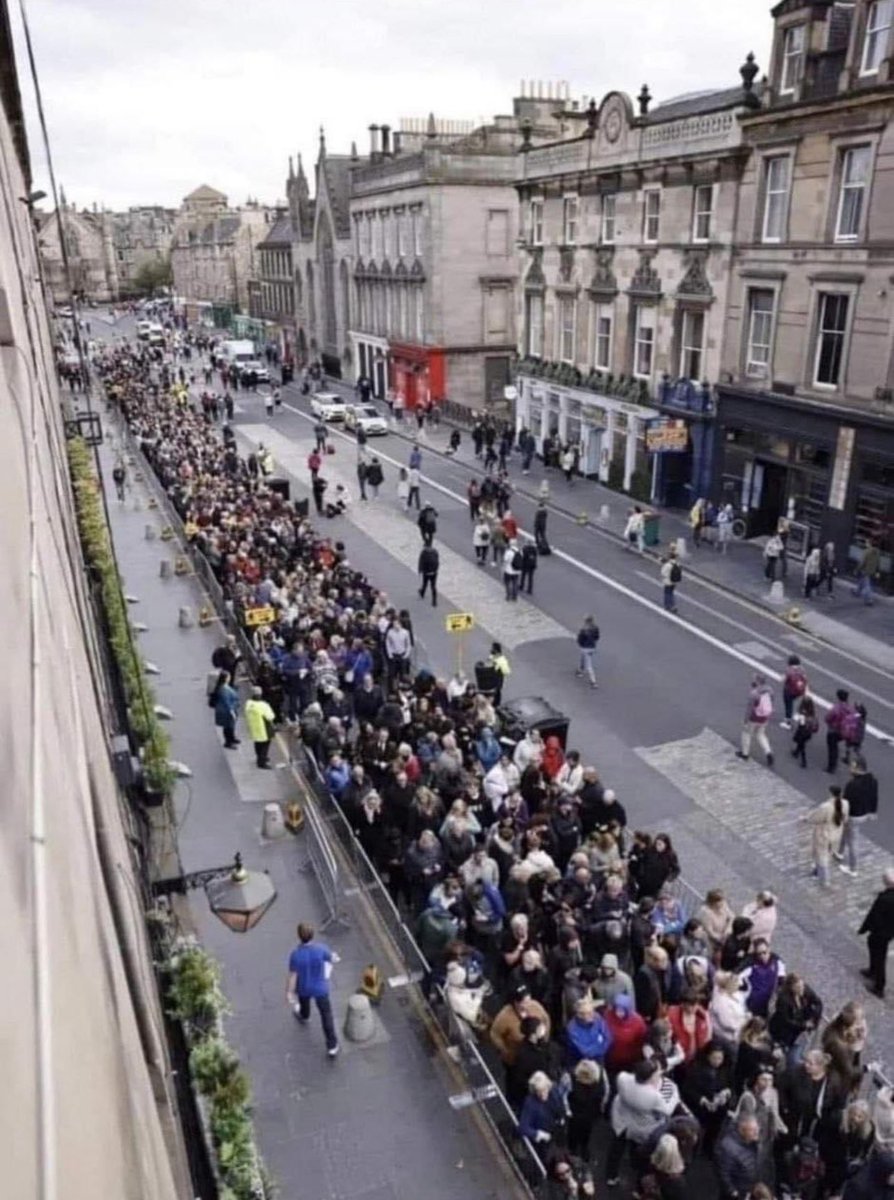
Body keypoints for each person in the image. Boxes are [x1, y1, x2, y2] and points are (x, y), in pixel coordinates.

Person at [286, 922, 340, 1057]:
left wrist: (289, 992)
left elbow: (293, 976)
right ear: (312, 935)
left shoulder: (296, 955)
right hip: (321, 988)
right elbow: (332, 958)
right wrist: (335, 956)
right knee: (326, 1015)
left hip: (304, 988)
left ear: (299, 936)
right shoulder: (321, 949)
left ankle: (304, 1015)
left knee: (304, 1005)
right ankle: (332, 1045)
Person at [840, 755, 879, 876]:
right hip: (865, 813)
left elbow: (845, 803)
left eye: (851, 766)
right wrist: (873, 811)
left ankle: (853, 868)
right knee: (845, 832)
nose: (849, 769)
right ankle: (839, 851)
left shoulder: (852, 784)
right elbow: (874, 797)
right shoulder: (872, 780)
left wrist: (841, 815)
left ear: (857, 767)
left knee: (853, 840)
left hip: (853, 816)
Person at [857, 868, 894, 998]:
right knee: (876, 953)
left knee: (879, 958)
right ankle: (872, 971)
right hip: (888, 932)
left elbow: (874, 916)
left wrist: (865, 928)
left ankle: (879, 987)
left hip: (881, 933)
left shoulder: (885, 899)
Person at [715, 1114, 761, 1200]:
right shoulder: (728, 1148)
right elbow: (723, 1174)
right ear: (742, 1130)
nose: (757, 1133)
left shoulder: (752, 1143)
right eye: (753, 1130)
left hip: (748, 1189)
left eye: (757, 1129)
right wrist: (733, 1192)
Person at [736, 674, 774, 767]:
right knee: (761, 734)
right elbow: (771, 702)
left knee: (747, 733)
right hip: (764, 717)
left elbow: (749, 709)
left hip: (754, 717)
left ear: (757, 681)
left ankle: (745, 754)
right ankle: (768, 752)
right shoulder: (770, 690)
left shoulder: (754, 694)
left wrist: (745, 721)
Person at [245, 685, 276, 768]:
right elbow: (270, 716)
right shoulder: (263, 705)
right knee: (265, 745)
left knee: (257, 744)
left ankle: (259, 757)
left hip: (253, 727)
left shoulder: (249, 703)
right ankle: (262, 762)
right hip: (264, 728)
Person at [825, 688, 853, 774]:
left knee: (832, 748)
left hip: (834, 730)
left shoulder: (836, 708)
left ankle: (831, 767)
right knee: (837, 746)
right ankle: (845, 757)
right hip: (845, 731)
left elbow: (828, 718)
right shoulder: (850, 708)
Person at [211, 670, 240, 748]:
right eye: (229, 676)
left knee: (231, 726)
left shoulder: (225, 687)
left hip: (228, 709)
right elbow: (227, 702)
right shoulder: (223, 689)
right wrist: (232, 712)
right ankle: (228, 742)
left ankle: (232, 738)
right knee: (228, 727)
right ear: (226, 678)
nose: (230, 678)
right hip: (226, 711)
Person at [780, 655, 808, 729]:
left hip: (789, 691)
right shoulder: (802, 669)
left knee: (788, 706)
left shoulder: (788, 670)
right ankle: (798, 714)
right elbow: (805, 679)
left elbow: (782, 679)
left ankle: (787, 722)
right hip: (799, 691)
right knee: (796, 702)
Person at [791, 694, 819, 769]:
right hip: (808, 732)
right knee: (801, 743)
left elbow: (800, 722)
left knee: (802, 745)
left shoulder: (803, 713)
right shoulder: (813, 712)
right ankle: (796, 752)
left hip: (803, 731)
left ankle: (804, 761)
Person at [853, 540, 880, 606]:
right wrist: (877, 571)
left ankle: (869, 599)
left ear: (869, 544)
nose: (866, 544)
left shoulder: (866, 551)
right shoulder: (877, 552)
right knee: (862, 581)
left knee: (867, 585)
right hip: (872, 571)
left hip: (865, 571)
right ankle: (857, 591)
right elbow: (878, 563)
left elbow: (862, 562)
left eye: (867, 543)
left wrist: (857, 569)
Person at [576, 615, 600, 688]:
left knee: (589, 665)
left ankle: (593, 682)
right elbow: (597, 637)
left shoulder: (583, 630)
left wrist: (581, 644)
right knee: (583, 657)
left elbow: (579, 639)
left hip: (585, 647)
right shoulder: (596, 628)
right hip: (592, 647)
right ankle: (580, 670)